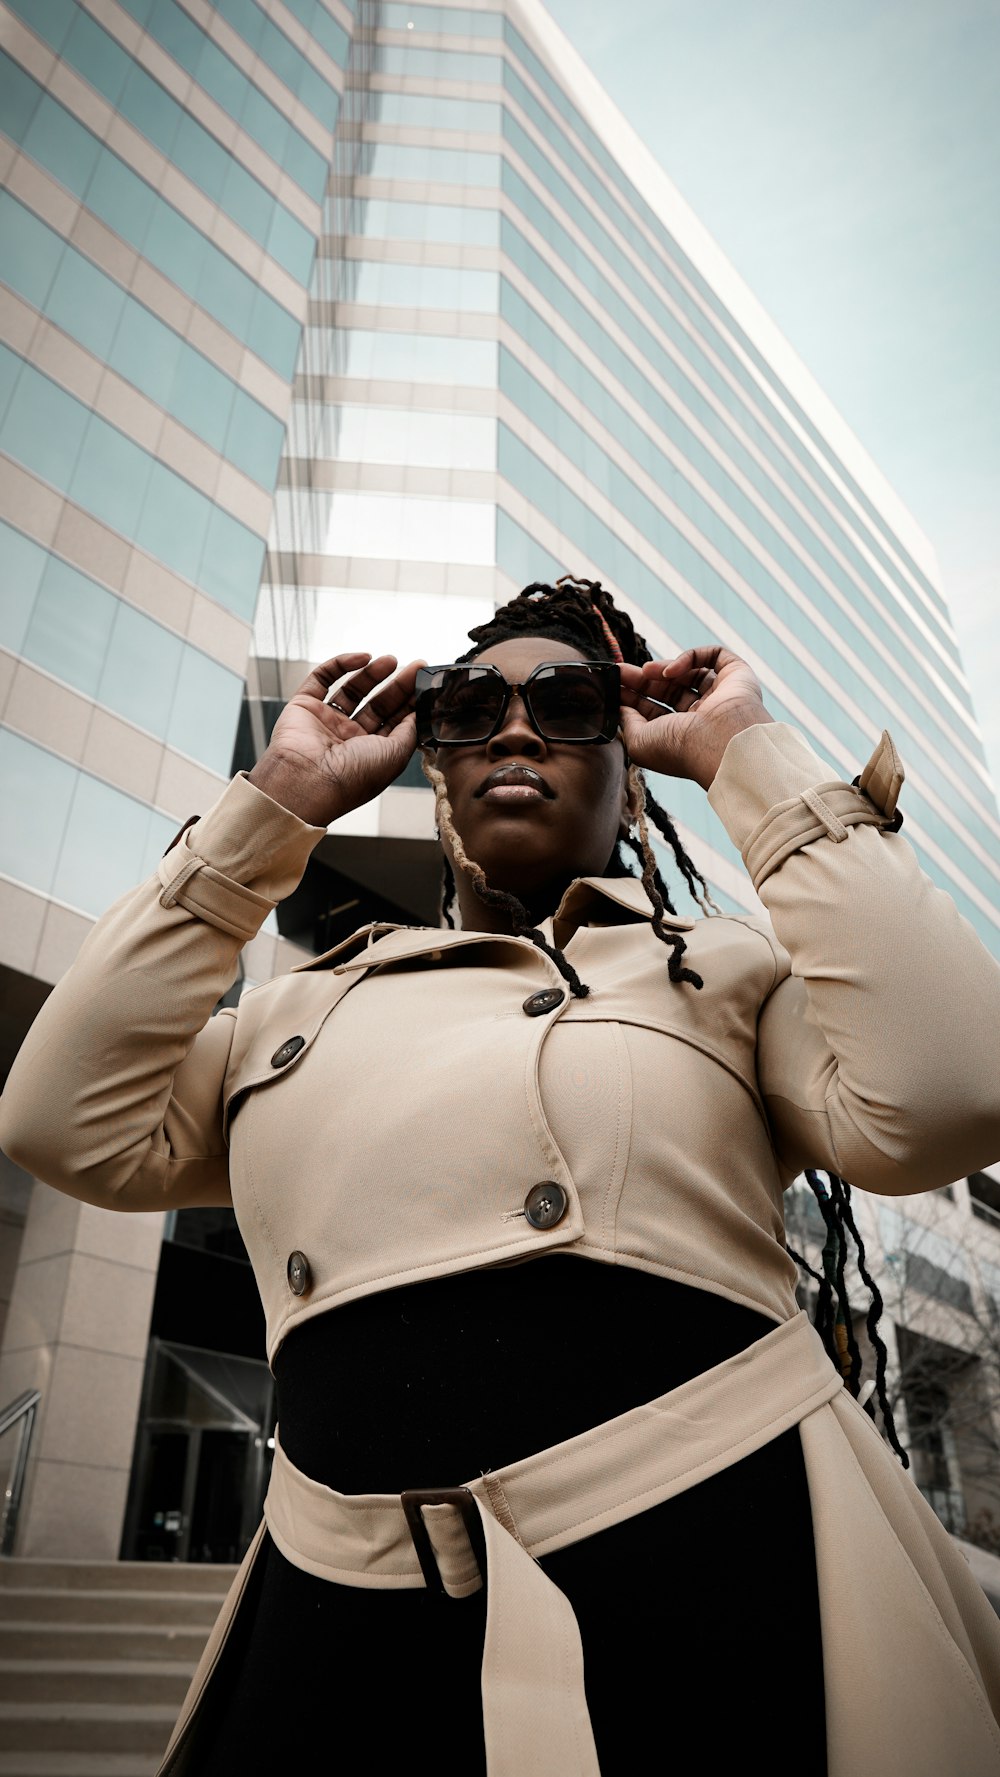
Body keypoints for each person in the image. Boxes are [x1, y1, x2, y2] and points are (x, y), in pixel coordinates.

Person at [2, 576, 1000, 1777]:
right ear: (434, 765)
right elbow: (60, 1122)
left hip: (701, 1569)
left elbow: (953, 1094)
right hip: (335, 1607)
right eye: (471, 706)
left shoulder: (720, 976)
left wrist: (744, 754)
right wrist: (276, 805)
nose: (516, 729)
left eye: (572, 704)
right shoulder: (296, 1006)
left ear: (631, 776)